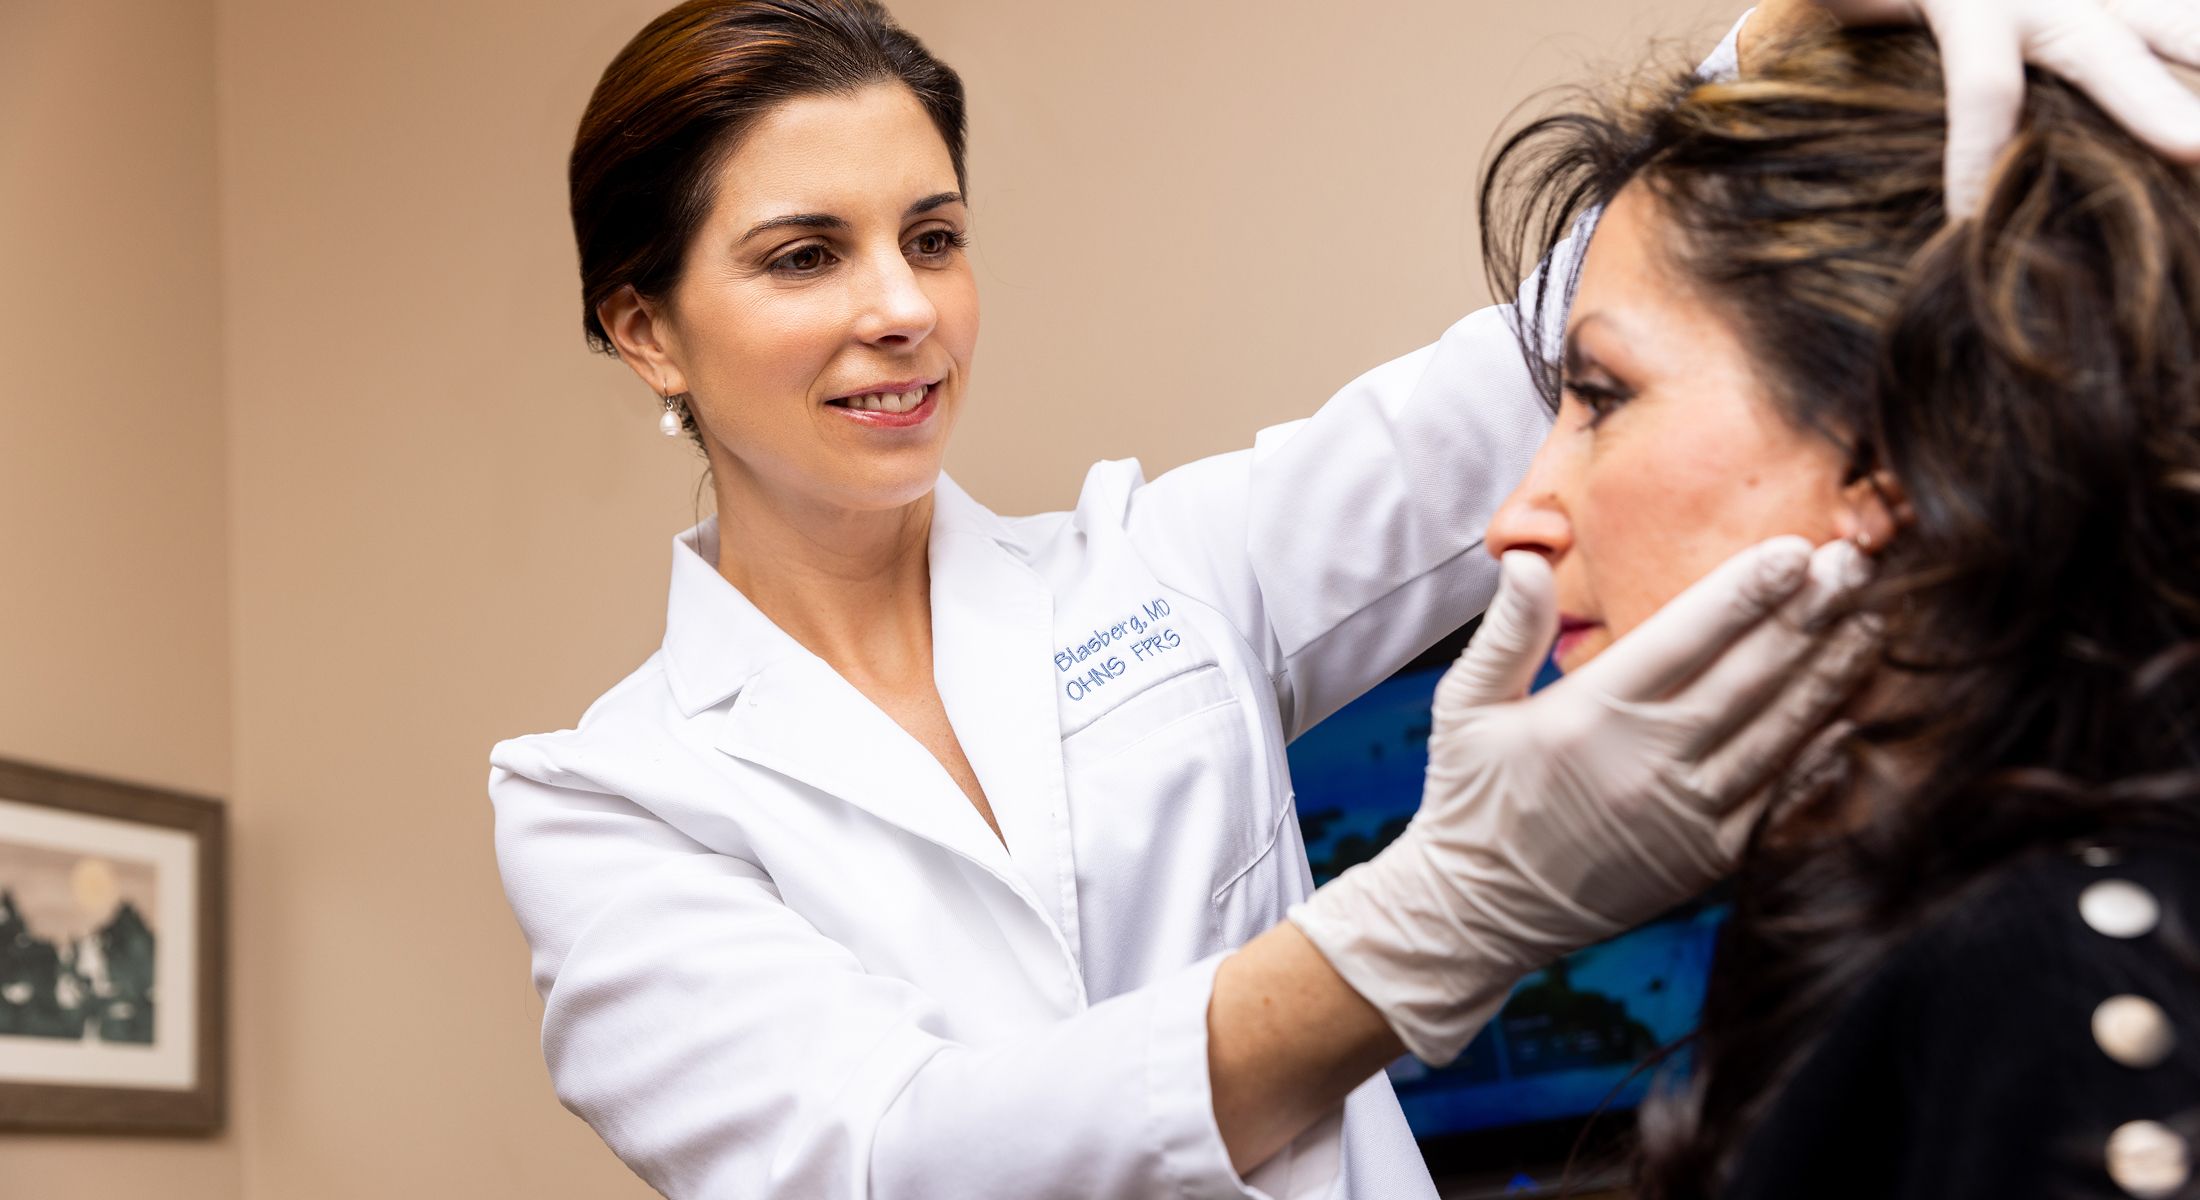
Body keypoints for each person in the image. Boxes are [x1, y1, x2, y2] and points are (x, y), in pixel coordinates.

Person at [487, 1, 2199, 1196]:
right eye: (805, 256)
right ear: (646, 328)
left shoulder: (1157, 572)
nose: (903, 308)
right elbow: (894, 1158)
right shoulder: (609, 799)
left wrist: (1787, 35)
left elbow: (1568, 351)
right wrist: (1434, 921)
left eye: (933, 237)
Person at [1473, 16, 2200, 1198]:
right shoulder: (1866, 908)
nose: (1514, 520)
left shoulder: (2050, 984)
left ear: (1908, 444)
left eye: (1600, 396)